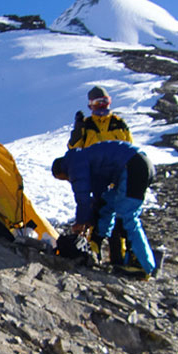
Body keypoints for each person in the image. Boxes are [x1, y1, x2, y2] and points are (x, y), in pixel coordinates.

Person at [52, 141, 157, 278]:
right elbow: (99, 195)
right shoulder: (87, 159)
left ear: (61, 171)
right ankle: (96, 245)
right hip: (137, 165)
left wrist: (80, 222)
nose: (68, 180)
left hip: (133, 166)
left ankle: (144, 266)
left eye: (64, 178)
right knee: (106, 206)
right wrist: (90, 219)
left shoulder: (74, 163)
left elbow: (82, 196)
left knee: (127, 217)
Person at [67, 86, 134, 265]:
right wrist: (77, 129)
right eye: (97, 103)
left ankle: (118, 258)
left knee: (119, 216)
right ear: (90, 106)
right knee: (98, 213)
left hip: (119, 176)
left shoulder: (119, 123)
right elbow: (74, 150)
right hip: (97, 177)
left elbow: (130, 148)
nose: (101, 106)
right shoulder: (87, 125)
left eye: (104, 102)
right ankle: (93, 252)